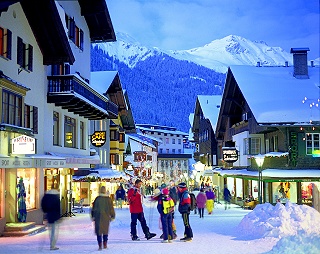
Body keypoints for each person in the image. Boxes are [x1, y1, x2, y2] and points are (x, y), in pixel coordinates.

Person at [91, 186, 115, 250]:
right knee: (105, 231)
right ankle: (105, 244)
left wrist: (93, 216)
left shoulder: (97, 199)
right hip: (106, 217)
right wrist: (112, 216)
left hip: (98, 217)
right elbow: (111, 208)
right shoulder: (108, 199)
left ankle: (99, 245)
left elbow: (93, 208)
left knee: (99, 231)